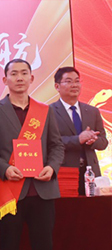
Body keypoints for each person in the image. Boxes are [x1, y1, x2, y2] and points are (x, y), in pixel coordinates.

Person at [0, 59, 64, 250]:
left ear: (31, 78)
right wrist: (4, 168)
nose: (19, 78)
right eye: (14, 74)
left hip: (42, 191)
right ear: (5, 80)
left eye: (24, 73)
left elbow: (56, 145)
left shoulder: (44, 111)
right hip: (10, 191)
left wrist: (51, 167)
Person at [50, 67, 107, 195]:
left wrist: (93, 140)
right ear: (57, 86)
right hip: (64, 172)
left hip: (91, 173)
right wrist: (78, 139)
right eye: (69, 81)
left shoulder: (92, 111)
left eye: (77, 81)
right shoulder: (49, 112)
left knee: (94, 207)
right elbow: (49, 142)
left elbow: (103, 142)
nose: (74, 85)